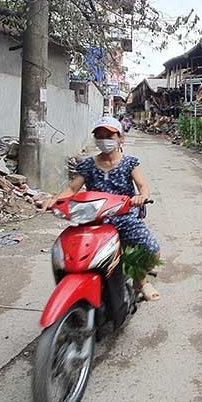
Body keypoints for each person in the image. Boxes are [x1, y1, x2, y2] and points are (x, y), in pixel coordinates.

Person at [45, 116, 161, 301]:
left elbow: (142, 186)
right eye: (99, 135)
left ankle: (140, 282)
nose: (104, 139)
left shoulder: (129, 163)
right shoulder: (88, 165)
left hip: (124, 216)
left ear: (120, 138)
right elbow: (72, 189)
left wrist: (141, 197)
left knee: (152, 250)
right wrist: (54, 201)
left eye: (109, 135)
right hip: (94, 218)